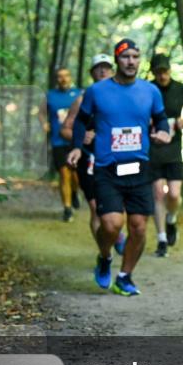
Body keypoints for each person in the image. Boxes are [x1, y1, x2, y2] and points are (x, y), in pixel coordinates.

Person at [68, 39, 170, 296]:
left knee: (138, 226)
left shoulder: (150, 91)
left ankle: (125, 277)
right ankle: (104, 256)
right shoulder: (97, 91)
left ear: (140, 60)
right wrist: (78, 146)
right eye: (126, 57)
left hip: (138, 168)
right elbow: (80, 121)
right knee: (112, 225)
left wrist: (164, 133)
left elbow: (160, 119)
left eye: (135, 56)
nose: (131, 61)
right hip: (107, 168)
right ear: (117, 60)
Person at [60, 54, 127, 256]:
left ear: (113, 71)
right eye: (98, 68)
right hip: (90, 160)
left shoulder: (123, 97)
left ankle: (117, 233)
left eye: (106, 67)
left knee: (118, 205)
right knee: (96, 207)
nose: (102, 71)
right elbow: (65, 130)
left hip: (117, 160)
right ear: (92, 73)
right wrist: (81, 137)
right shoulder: (82, 99)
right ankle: (104, 253)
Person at [148, 54, 183, 257]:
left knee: (174, 194)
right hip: (153, 147)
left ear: (169, 70)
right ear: (153, 73)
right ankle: (161, 239)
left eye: (165, 71)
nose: (162, 75)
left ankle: (172, 219)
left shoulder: (181, 89)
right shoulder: (147, 89)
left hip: (174, 147)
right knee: (158, 193)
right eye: (158, 72)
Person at [40, 68, 82, 221]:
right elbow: (41, 113)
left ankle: (75, 192)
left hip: (76, 140)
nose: (63, 79)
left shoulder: (79, 94)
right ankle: (67, 208)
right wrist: (44, 124)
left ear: (70, 77)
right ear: (56, 79)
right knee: (64, 174)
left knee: (76, 176)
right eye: (60, 77)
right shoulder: (50, 96)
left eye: (66, 76)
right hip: (58, 141)